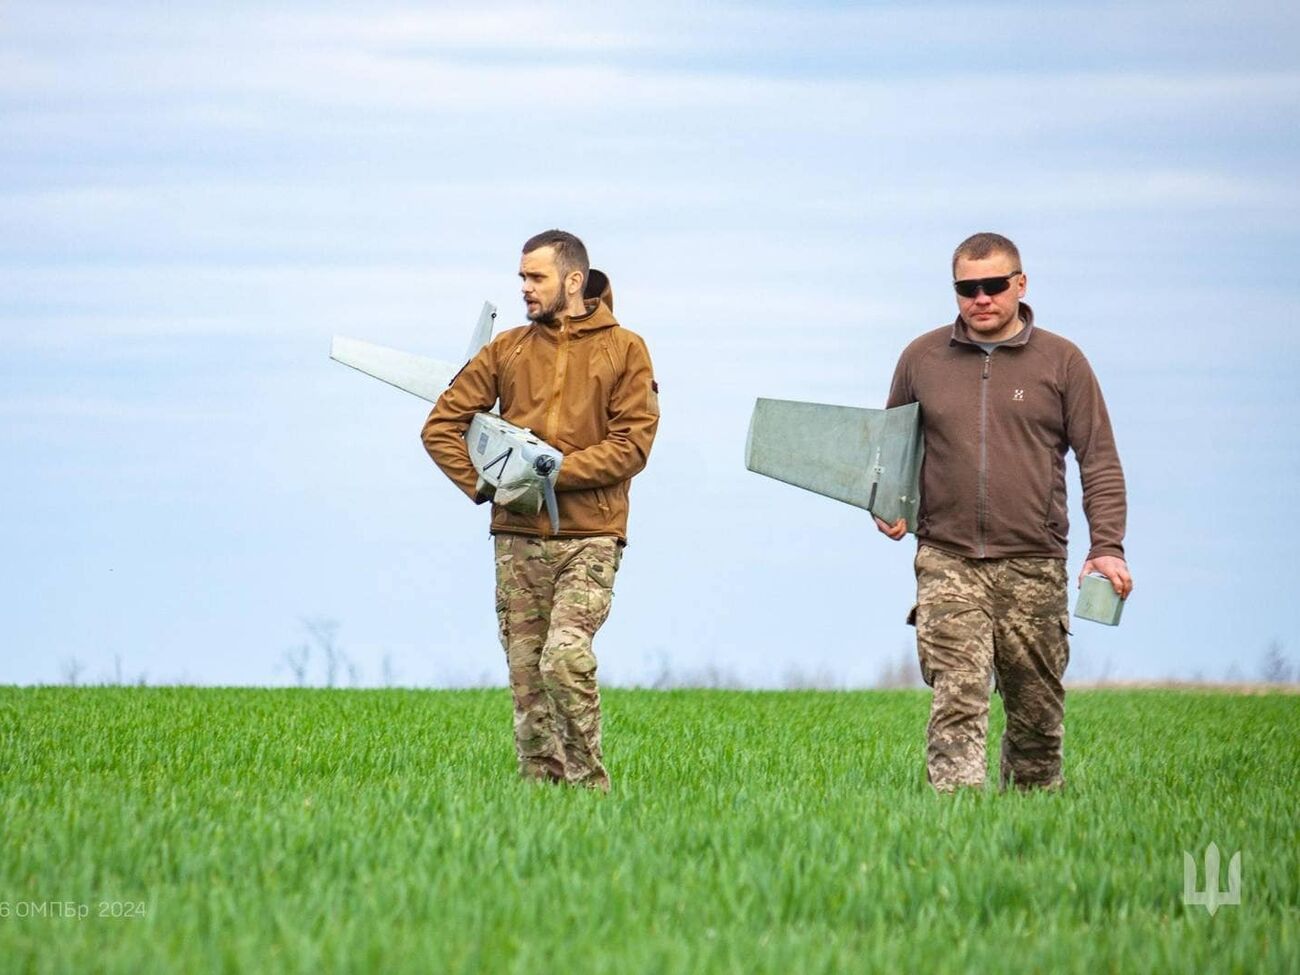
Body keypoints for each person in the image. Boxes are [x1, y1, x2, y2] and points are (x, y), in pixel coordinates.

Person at [875, 232, 1132, 791]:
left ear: (1021, 284)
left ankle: (1032, 826)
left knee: (1036, 715)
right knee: (957, 698)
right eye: (968, 289)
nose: (981, 299)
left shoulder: (1063, 362)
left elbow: (1100, 459)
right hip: (947, 558)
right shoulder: (921, 358)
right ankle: (956, 830)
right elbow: (889, 448)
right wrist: (886, 501)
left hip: (1034, 563)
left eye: (994, 285)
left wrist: (1107, 546)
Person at [421, 230, 659, 791]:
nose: (526, 289)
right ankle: (542, 808)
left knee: (564, 658)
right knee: (528, 681)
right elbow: (441, 427)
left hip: (590, 536)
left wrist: (547, 471)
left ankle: (590, 789)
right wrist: (487, 487)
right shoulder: (506, 349)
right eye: (522, 278)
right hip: (517, 539)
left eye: (537, 278)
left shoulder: (626, 349)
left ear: (573, 281)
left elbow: (633, 446)